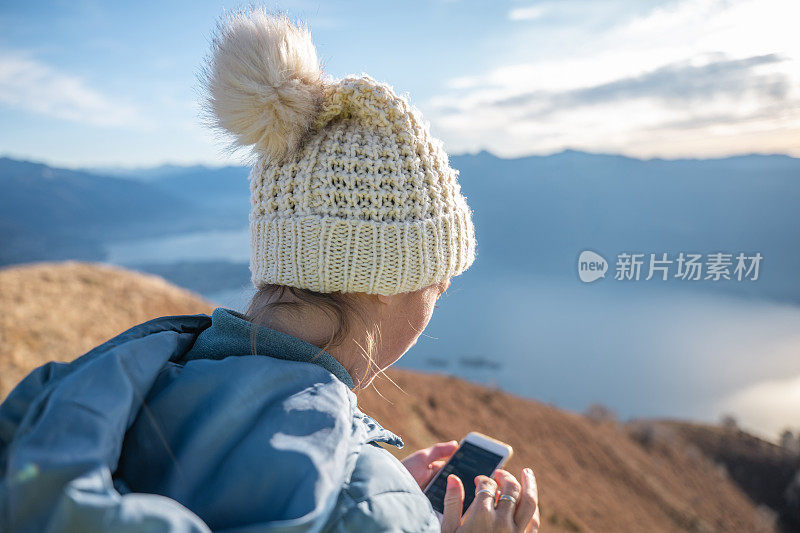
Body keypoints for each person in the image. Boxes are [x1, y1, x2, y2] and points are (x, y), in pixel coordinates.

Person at [0, 8, 539, 533]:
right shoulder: (365, 506)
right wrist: (382, 505)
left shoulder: (110, 385)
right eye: (437, 280)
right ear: (382, 282)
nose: (439, 294)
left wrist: (381, 490)